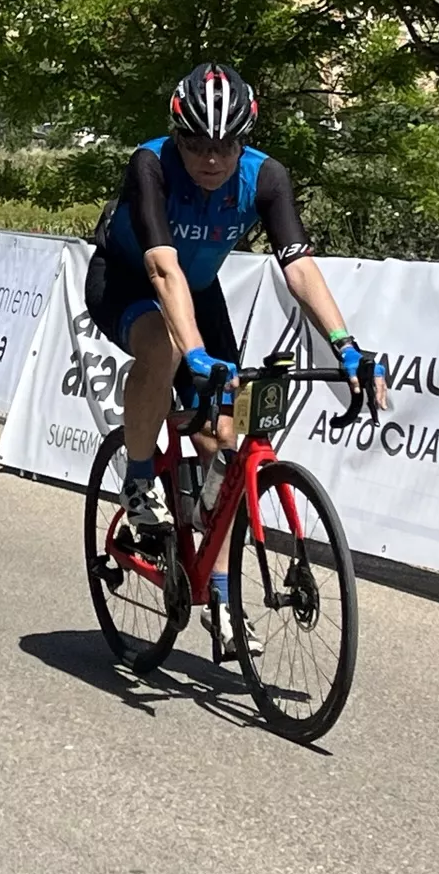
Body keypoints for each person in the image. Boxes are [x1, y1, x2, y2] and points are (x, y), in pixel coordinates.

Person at [86, 62, 388, 656]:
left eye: (225, 145)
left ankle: (220, 593)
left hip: (198, 290)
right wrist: (193, 354)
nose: (211, 158)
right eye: (196, 143)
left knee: (225, 437)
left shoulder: (265, 177)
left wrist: (347, 346)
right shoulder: (150, 164)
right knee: (165, 346)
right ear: (177, 136)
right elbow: (160, 268)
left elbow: (298, 267)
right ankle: (141, 483)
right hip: (128, 278)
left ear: (244, 138)